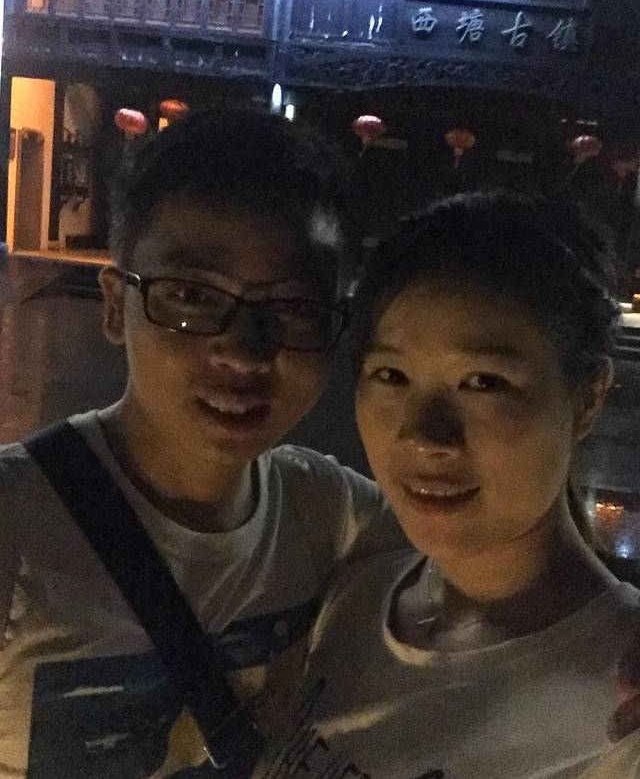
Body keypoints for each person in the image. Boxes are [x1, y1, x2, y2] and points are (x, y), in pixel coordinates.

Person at [0, 107, 406, 778]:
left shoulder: (332, 514)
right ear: (114, 305)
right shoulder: (17, 521)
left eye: (294, 309)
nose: (244, 352)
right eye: (191, 296)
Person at [260, 190, 640, 779]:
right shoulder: (356, 594)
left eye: (484, 382)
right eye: (391, 375)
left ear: (588, 398)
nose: (425, 437)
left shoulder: (620, 703)